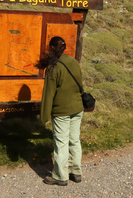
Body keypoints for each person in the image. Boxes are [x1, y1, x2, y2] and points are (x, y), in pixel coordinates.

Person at [36, 36, 84, 186]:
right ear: (64, 48)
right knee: (74, 140)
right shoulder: (74, 62)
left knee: (61, 142)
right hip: (77, 108)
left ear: (51, 49)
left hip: (61, 111)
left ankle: (60, 176)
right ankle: (75, 172)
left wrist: (43, 118)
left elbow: (48, 95)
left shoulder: (53, 68)